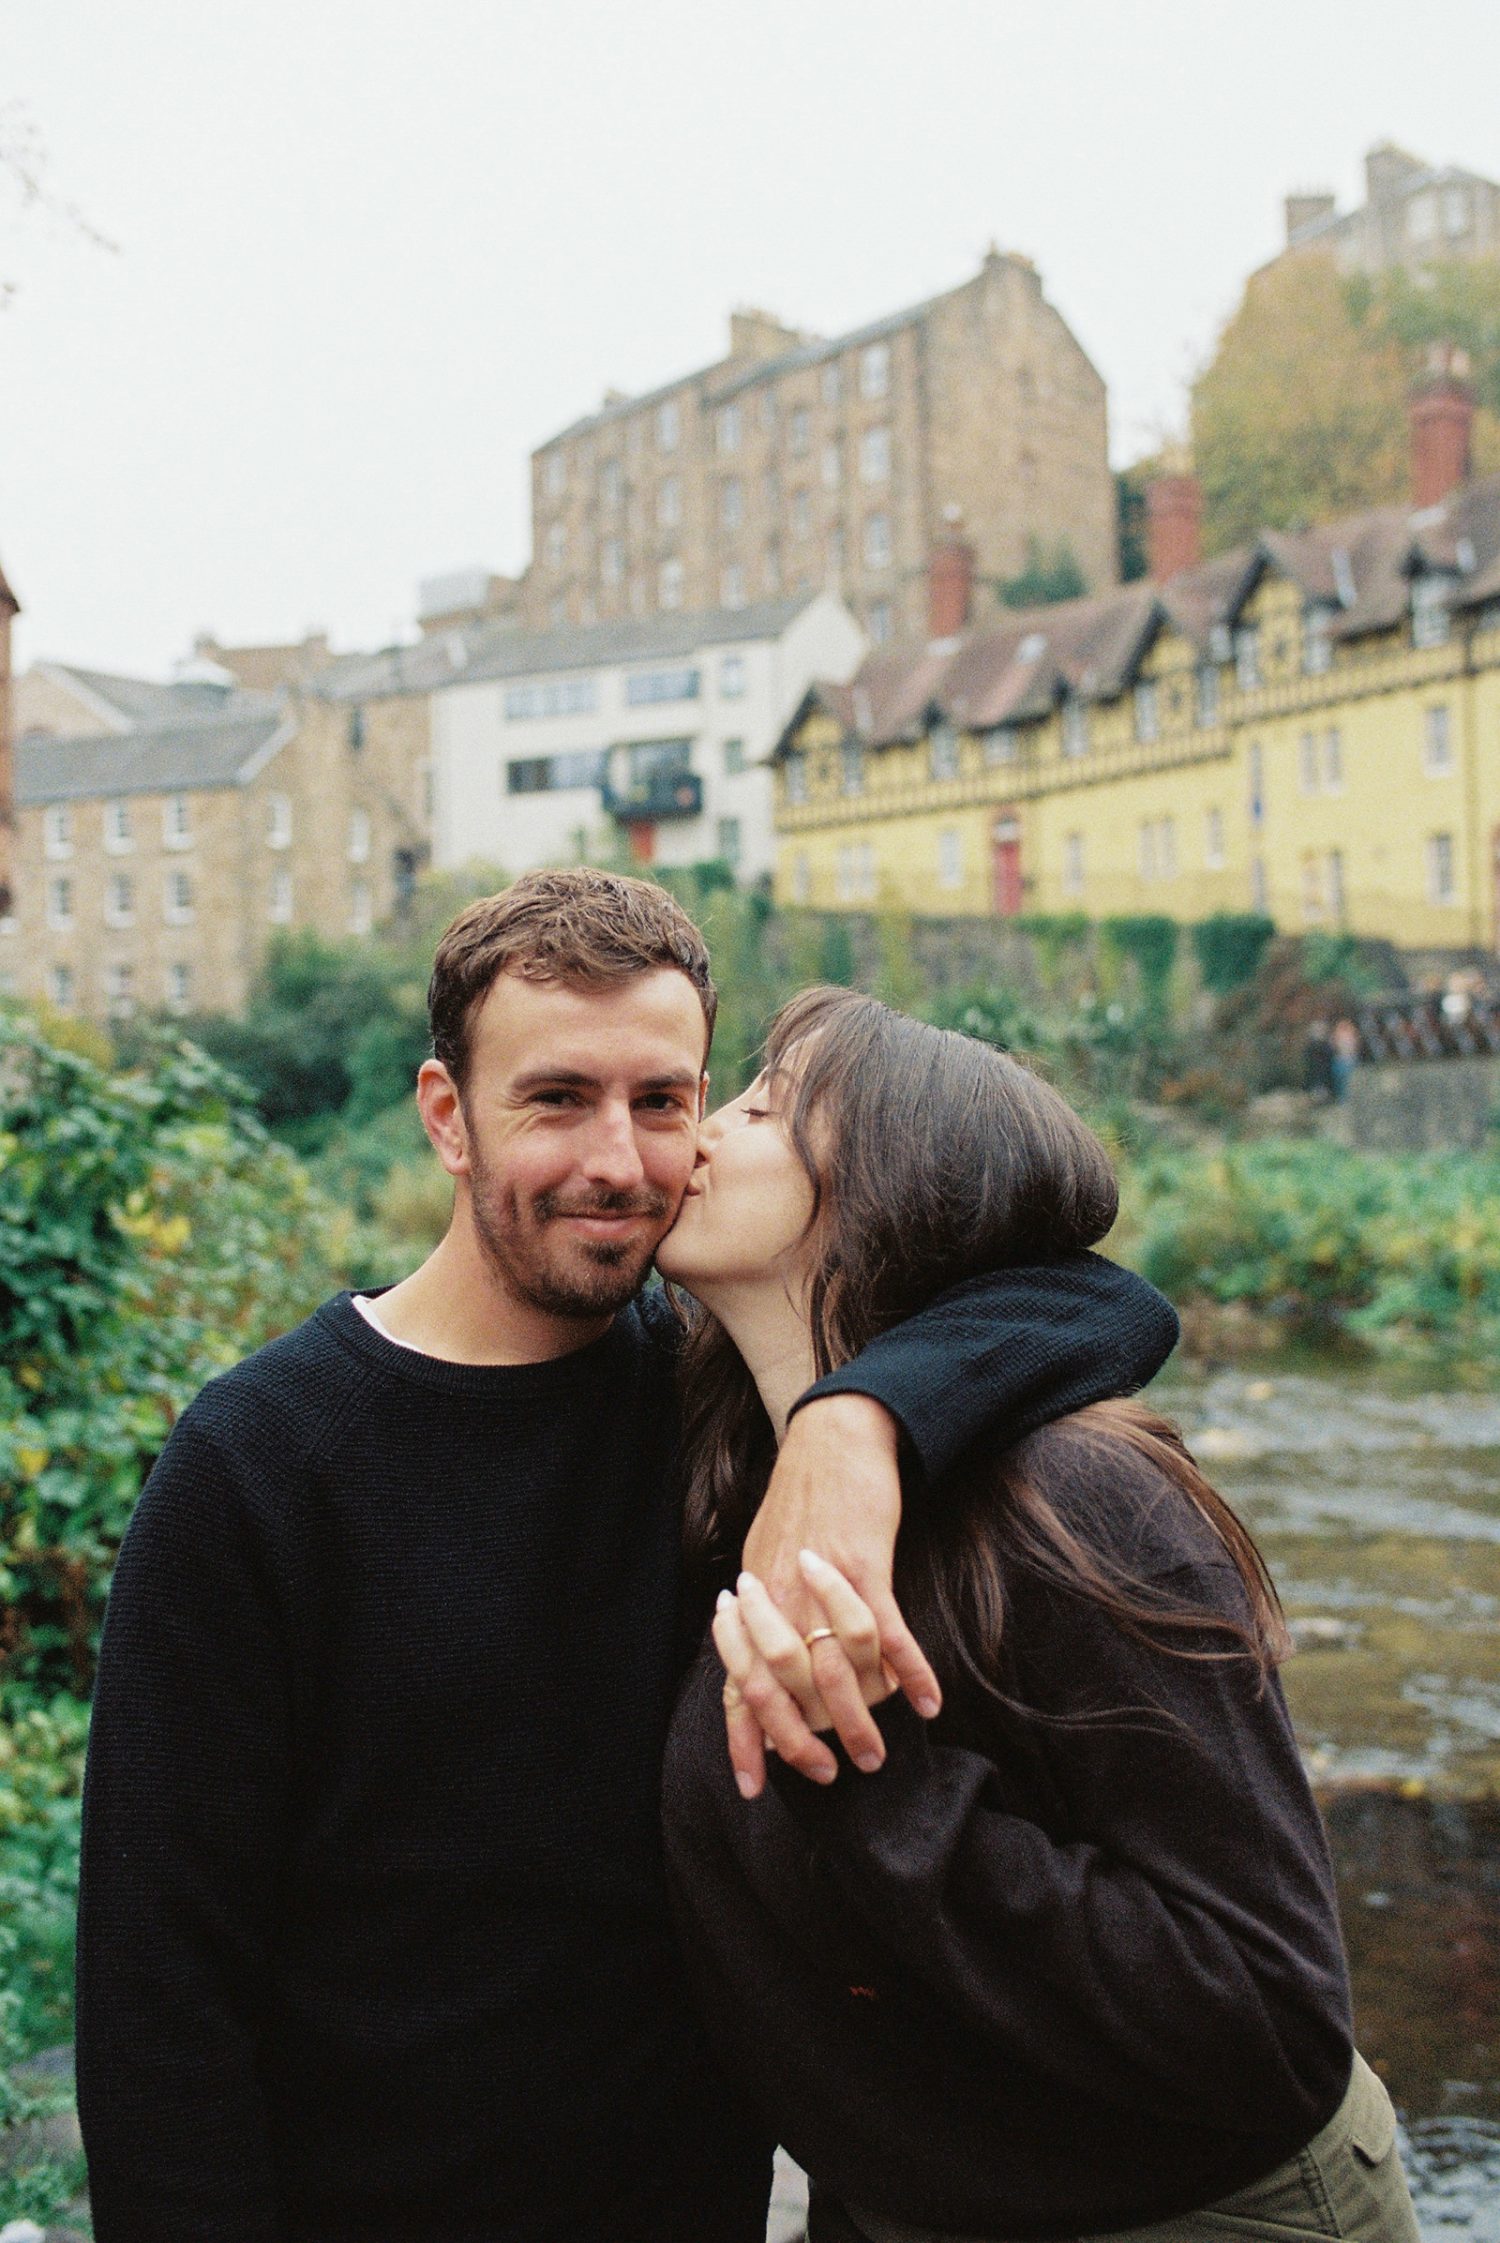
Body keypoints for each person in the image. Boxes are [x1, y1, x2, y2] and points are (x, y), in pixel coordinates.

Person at [75, 871, 1179, 2243]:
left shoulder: (720, 1399)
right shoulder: (259, 1461)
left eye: (660, 1101)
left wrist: (857, 1420)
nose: (618, 1160)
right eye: (556, 1098)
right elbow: (158, 1990)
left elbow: (1107, 1303)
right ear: (447, 1114)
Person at [661, 985, 1421, 2243]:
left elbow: (1270, 2018)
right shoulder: (721, 1469)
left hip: (1199, 2210)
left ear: (892, 1190)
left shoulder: (1076, 1504)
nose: (697, 1130)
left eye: (762, 1104)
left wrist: (870, 1782)